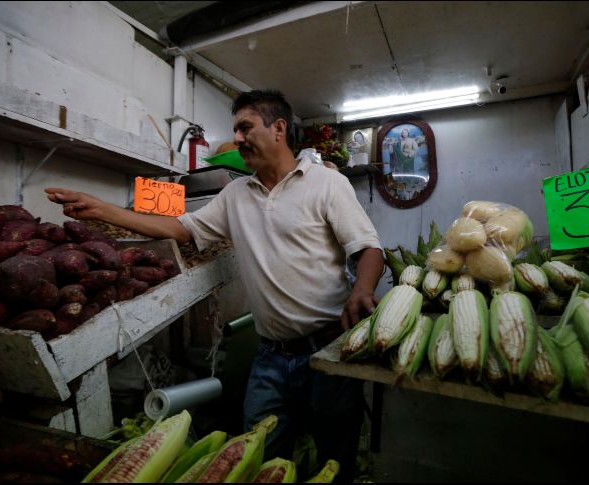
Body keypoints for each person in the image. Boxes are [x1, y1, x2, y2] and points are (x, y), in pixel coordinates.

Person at [44, 89, 384, 483]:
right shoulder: (235, 194)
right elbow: (180, 228)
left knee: (334, 458)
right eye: (235, 130)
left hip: (327, 351)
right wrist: (102, 208)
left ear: (278, 129)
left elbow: (367, 248)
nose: (237, 139)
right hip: (270, 357)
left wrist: (362, 288)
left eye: (245, 127)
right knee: (257, 459)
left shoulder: (326, 184)